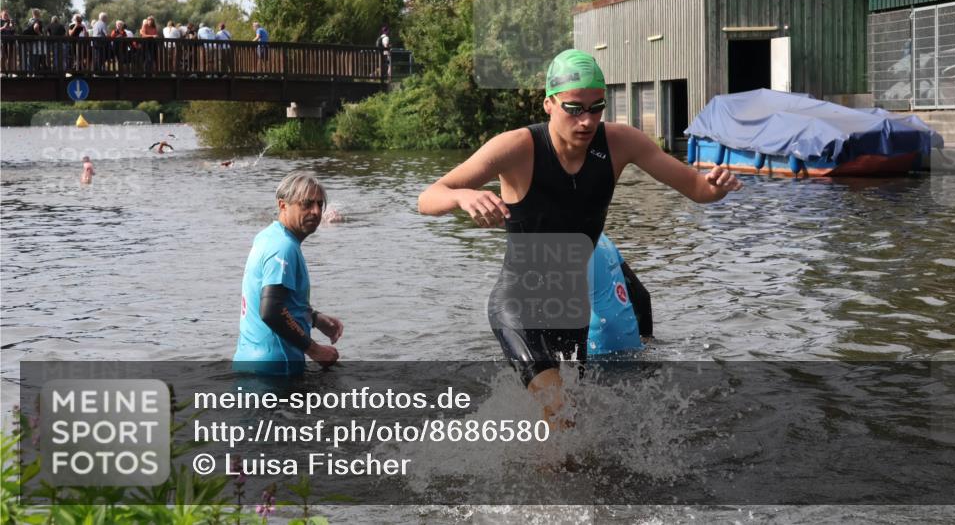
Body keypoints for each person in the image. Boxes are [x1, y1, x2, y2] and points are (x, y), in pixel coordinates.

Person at [418, 49, 742, 425]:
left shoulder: (621, 143)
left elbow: (697, 189)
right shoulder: (517, 147)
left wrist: (717, 188)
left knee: (571, 428)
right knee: (561, 412)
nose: (587, 121)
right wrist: (462, 195)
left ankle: (543, 473)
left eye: (596, 107)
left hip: (571, 309)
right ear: (549, 104)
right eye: (574, 108)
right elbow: (428, 197)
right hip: (519, 302)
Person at [234, 172, 344, 375]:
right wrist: (315, 350)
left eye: (320, 205)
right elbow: (272, 310)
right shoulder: (283, 247)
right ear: (283, 205)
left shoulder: (268, 237)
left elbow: (280, 302)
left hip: (250, 362)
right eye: (307, 204)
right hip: (276, 368)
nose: (316, 211)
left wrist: (315, 319)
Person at [586, 234, 653, 356]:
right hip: (630, 338)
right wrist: (646, 339)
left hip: (598, 343)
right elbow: (642, 296)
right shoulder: (603, 238)